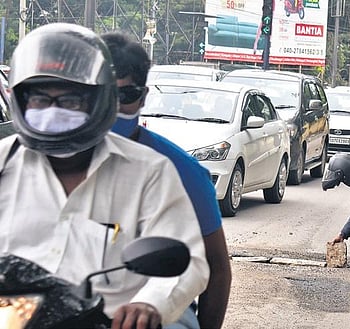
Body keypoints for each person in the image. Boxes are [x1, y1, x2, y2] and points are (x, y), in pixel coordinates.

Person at [0, 23, 209, 329]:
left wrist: (148, 304)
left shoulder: (150, 170)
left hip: (114, 320)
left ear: (99, 101)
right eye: (41, 100)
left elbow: (187, 262)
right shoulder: (3, 163)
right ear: (20, 100)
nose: (53, 111)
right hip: (13, 316)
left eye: (70, 101)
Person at [101, 31, 231, 329]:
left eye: (126, 95)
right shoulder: (41, 159)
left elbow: (216, 266)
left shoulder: (179, 170)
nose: (113, 108)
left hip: (155, 310)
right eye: (104, 95)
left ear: (143, 97)